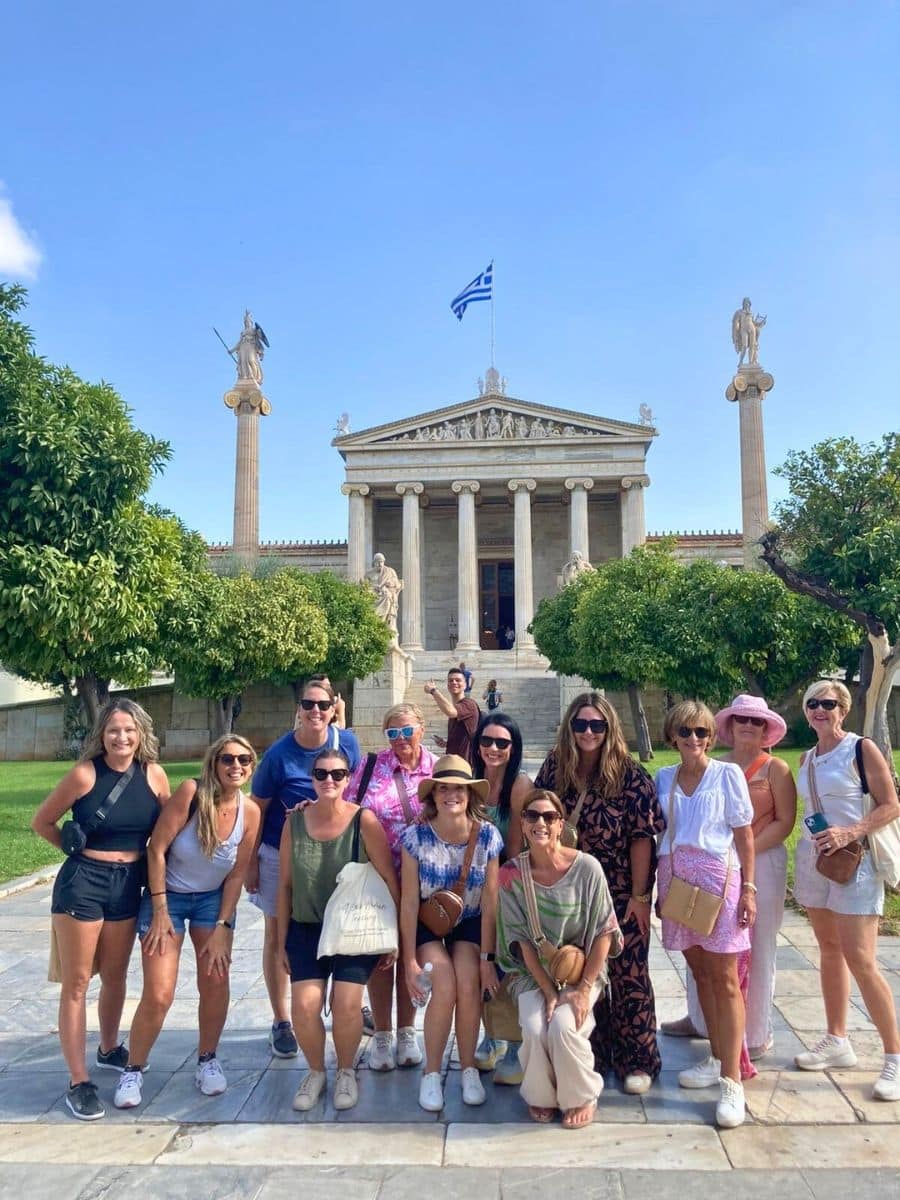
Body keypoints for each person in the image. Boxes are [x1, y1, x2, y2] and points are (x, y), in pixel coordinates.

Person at [32, 699, 170, 1121]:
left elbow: (169, 828)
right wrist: (79, 854)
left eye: (129, 730)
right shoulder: (84, 773)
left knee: (115, 975)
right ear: (102, 734)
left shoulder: (154, 775)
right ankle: (78, 1080)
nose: (121, 737)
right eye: (113, 730)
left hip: (129, 884)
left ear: (142, 733)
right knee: (76, 982)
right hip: (83, 885)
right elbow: (43, 822)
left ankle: (109, 1047)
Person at [113, 736, 261, 1108]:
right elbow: (156, 849)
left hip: (214, 900)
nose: (236, 766)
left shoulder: (251, 811)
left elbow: (237, 873)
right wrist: (160, 907)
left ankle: (207, 1059)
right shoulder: (191, 793)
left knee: (215, 978)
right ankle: (134, 1067)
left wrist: (224, 927)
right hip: (170, 898)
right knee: (160, 992)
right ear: (214, 762)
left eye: (244, 759)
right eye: (227, 759)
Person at [535, 692, 663, 1095]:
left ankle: (637, 1059)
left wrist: (640, 898)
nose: (588, 732)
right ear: (569, 728)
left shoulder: (629, 775)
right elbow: (537, 818)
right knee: (578, 972)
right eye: (580, 724)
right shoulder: (556, 769)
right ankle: (594, 1054)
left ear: (609, 729)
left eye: (597, 725)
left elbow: (643, 838)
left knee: (628, 976)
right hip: (570, 892)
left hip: (619, 888)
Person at [662, 695, 796, 1060]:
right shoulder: (704, 768)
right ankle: (704, 1023)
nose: (748, 726)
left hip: (751, 865)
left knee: (751, 950)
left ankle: (752, 1035)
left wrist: (738, 866)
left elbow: (784, 821)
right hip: (702, 872)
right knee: (702, 958)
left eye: (756, 722)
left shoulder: (774, 769)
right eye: (741, 720)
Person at [792, 680, 900, 1100]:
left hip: (856, 860)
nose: (820, 710)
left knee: (861, 958)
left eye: (828, 704)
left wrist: (852, 830)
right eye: (813, 704)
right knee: (829, 949)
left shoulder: (861, 748)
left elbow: (891, 803)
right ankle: (837, 1039)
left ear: (844, 709)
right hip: (816, 861)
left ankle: (893, 1057)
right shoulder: (806, 758)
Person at [278, 747, 399, 1113]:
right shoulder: (294, 821)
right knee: (304, 1004)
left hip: (353, 927)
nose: (328, 780)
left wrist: (394, 937)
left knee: (345, 1003)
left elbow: (389, 880)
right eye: (321, 774)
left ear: (349, 779)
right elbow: (284, 886)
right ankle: (316, 1071)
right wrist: (280, 941)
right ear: (311, 778)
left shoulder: (365, 821)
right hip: (308, 925)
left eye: (337, 774)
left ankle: (346, 1069)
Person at [246, 679, 360, 1058]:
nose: (315, 711)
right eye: (308, 704)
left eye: (322, 705)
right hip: (283, 850)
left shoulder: (348, 744)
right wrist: (249, 863)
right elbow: (256, 809)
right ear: (298, 707)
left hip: (335, 851)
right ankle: (282, 1020)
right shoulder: (279, 754)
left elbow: (351, 793)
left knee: (340, 922)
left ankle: (347, 999)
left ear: (332, 709)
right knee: (278, 931)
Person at [656, 701, 756, 1129]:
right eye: (685, 732)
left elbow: (744, 835)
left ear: (711, 737)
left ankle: (733, 1080)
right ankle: (716, 1057)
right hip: (676, 880)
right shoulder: (664, 777)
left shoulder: (727, 774)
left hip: (718, 879)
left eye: (700, 732)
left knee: (726, 978)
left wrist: (749, 888)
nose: (693, 739)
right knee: (700, 974)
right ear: (672, 736)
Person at [497, 789, 623, 1128]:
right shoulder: (510, 875)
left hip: (582, 967)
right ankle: (541, 1095)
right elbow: (521, 942)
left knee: (565, 1027)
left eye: (549, 817)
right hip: (533, 970)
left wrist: (582, 989)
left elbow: (604, 931)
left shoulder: (587, 869)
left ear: (560, 824)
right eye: (532, 816)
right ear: (522, 823)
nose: (541, 823)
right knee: (537, 1027)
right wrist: (549, 993)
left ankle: (581, 1094)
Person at [401, 755, 503, 1112]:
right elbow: (410, 902)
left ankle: (469, 1068)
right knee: (442, 980)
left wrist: (488, 958)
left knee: (468, 978)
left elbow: (491, 902)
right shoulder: (414, 837)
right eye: (443, 788)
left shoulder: (488, 836)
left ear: (469, 794)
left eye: (458, 788)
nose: (451, 795)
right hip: (429, 920)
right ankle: (431, 1073)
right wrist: (408, 961)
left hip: (471, 918)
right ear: (433, 795)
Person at [345, 702, 435, 1071]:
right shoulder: (371, 767)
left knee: (412, 954)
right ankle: (382, 1033)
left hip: (424, 881)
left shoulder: (438, 768)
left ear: (422, 729)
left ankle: (407, 1031)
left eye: (407, 730)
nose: (400, 739)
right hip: (378, 879)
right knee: (382, 957)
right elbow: (345, 809)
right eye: (393, 733)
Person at [471, 712, 534, 1082]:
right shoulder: (471, 780)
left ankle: (513, 1042)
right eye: (487, 741)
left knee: (507, 964)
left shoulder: (519, 785)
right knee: (480, 962)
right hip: (472, 887)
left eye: (502, 743)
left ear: (513, 749)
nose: (493, 749)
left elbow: (513, 848)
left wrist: (498, 892)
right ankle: (492, 1033)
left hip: (508, 884)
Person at [424, 668, 480, 761]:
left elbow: (450, 711)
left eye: (458, 680)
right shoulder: (456, 708)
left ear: (465, 685)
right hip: (453, 762)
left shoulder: (469, 704)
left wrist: (433, 691)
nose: (454, 682)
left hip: (466, 765)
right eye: (451, 680)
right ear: (448, 685)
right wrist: (446, 743)